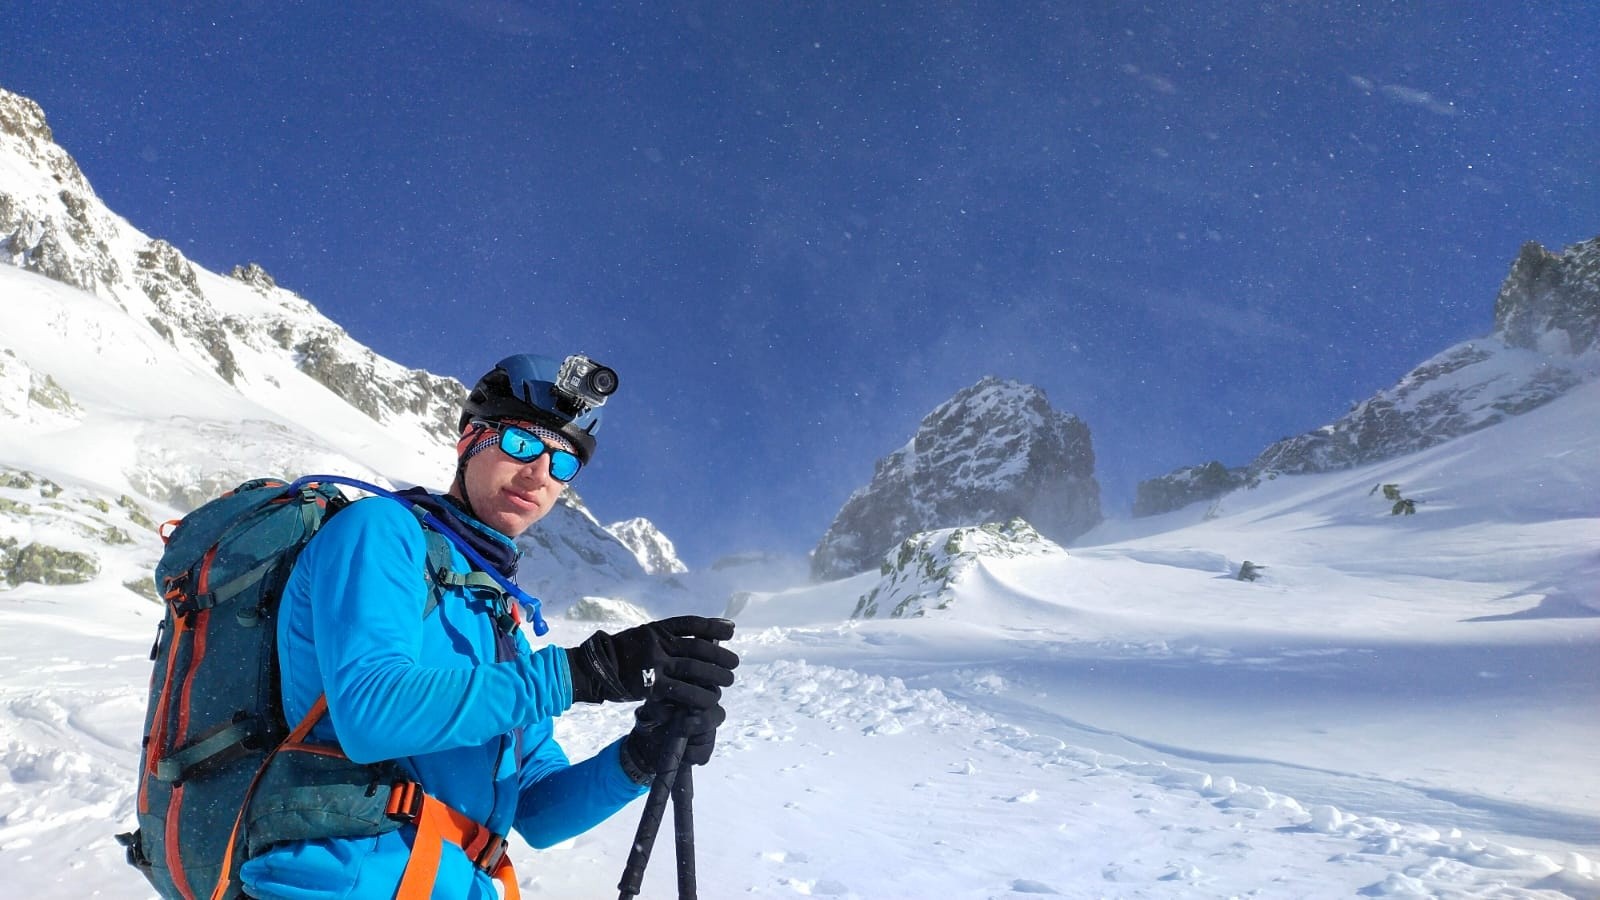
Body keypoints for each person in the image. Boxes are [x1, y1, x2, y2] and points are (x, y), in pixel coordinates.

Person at [239, 352, 739, 899]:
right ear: (469, 440)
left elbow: (539, 811)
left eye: (563, 463)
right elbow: (370, 712)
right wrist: (585, 672)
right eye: (522, 443)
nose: (540, 474)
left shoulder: (499, 623)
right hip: (335, 884)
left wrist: (638, 756)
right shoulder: (380, 532)